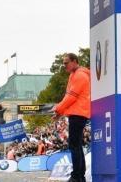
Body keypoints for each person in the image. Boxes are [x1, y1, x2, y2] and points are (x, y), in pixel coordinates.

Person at [51, 53, 90, 182]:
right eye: (63, 63)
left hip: (79, 113)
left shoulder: (79, 75)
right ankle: (79, 176)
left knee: (74, 145)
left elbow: (71, 97)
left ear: (74, 61)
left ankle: (77, 176)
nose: (64, 65)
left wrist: (58, 108)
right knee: (76, 145)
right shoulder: (74, 75)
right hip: (77, 113)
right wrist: (60, 112)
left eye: (66, 63)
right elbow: (69, 98)